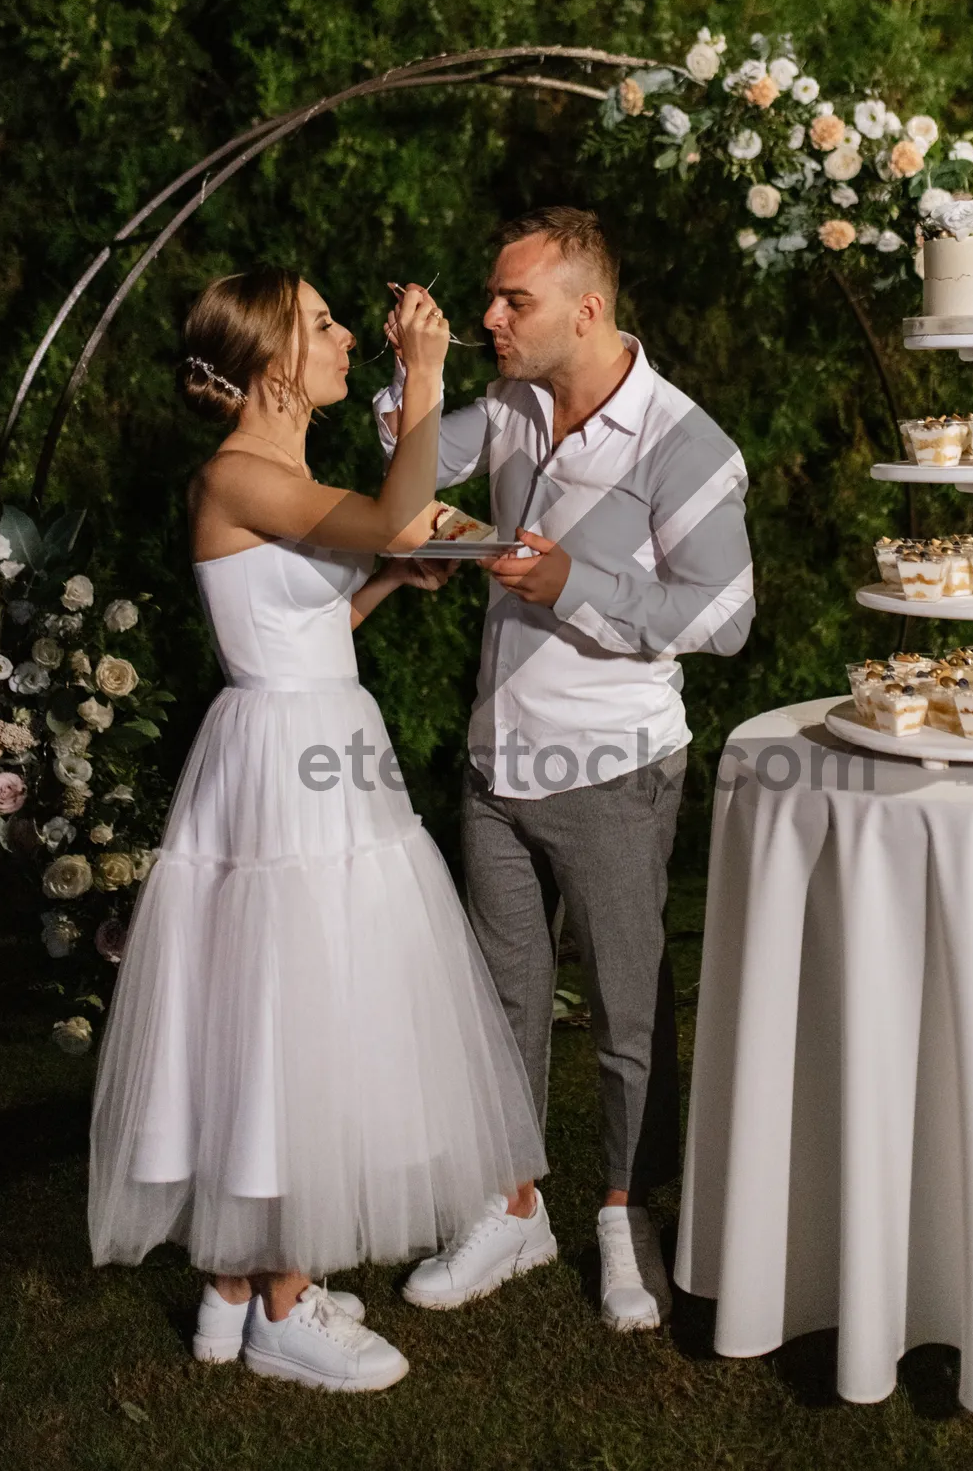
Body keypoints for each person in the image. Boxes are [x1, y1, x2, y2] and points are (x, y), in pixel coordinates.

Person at [88, 268, 547, 1393]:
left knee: (286, 1007)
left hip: (311, 737)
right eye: (325, 324)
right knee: (299, 1005)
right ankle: (287, 1305)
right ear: (271, 360)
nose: (346, 335)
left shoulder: (277, 475)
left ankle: (236, 1284)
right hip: (288, 769)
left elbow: (307, 615)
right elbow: (391, 508)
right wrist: (426, 372)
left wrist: (386, 579)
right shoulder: (242, 472)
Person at [374, 207, 754, 1329]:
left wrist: (573, 586)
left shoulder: (685, 442)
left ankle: (634, 1211)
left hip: (617, 766)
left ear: (586, 309)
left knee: (630, 1014)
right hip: (498, 756)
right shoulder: (513, 408)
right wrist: (418, 368)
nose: (492, 316)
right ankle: (515, 1203)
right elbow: (408, 466)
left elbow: (725, 614)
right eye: (488, 300)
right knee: (502, 1001)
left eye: (512, 302)